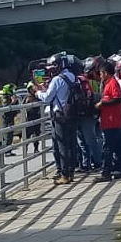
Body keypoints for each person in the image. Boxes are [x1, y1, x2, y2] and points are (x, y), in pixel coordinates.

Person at [33, 52, 79, 185]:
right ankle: (71, 172)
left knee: (62, 145)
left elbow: (47, 97)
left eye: (52, 67)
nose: (50, 70)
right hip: (73, 113)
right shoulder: (72, 76)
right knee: (72, 144)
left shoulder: (57, 79)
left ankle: (64, 175)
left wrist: (37, 92)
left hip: (60, 115)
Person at [94, 60, 121, 182]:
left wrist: (102, 103)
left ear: (105, 73)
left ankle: (106, 172)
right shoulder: (108, 83)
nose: (100, 76)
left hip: (112, 120)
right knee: (118, 146)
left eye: (101, 73)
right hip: (110, 120)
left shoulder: (112, 83)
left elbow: (117, 99)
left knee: (108, 148)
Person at [0, 84, 19, 155]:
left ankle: (9, 150)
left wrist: (16, 101)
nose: (13, 91)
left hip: (11, 117)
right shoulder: (4, 98)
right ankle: (6, 151)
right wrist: (12, 102)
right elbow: (5, 108)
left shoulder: (10, 96)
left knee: (10, 134)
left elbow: (16, 107)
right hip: (6, 118)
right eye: (11, 90)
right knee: (7, 134)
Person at [23, 83, 42, 153]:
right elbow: (22, 106)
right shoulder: (27, 97)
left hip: (37, 116)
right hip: (29, 117)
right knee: (27, 135)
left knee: (37, 133)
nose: (33, 89)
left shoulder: (37, 96)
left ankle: (36, 148)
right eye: (32, 88)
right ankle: (25, 149)